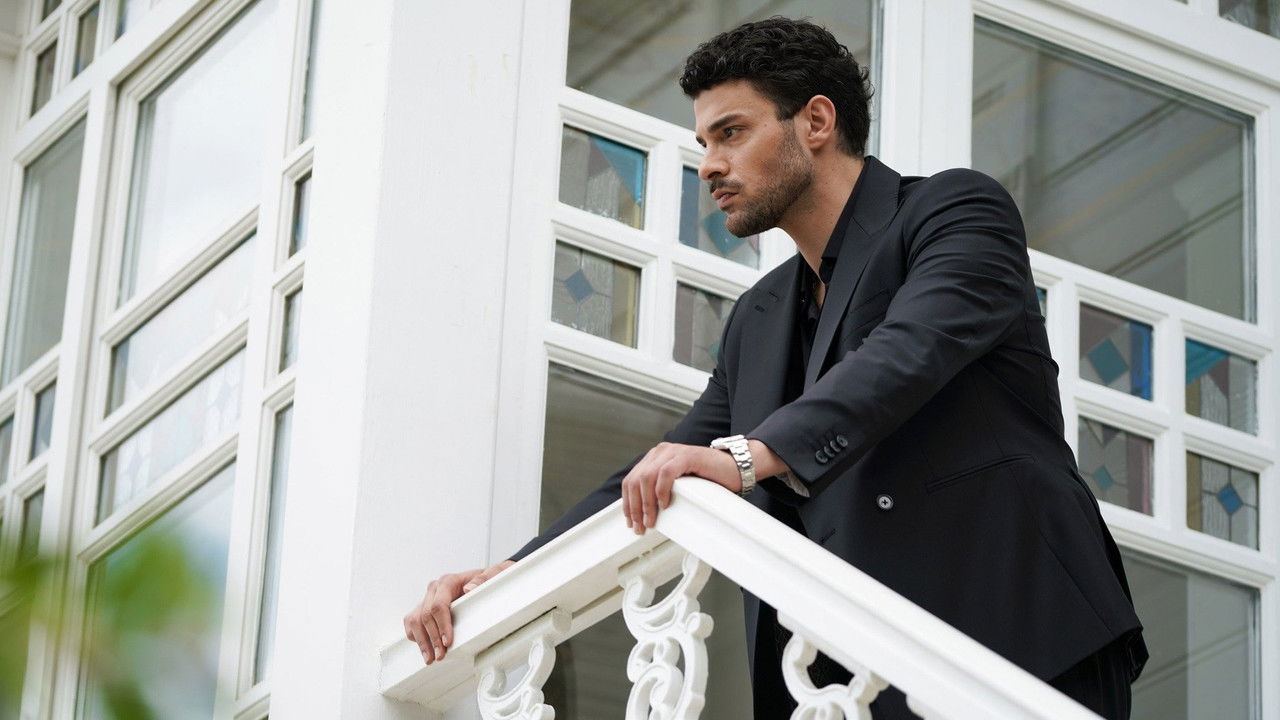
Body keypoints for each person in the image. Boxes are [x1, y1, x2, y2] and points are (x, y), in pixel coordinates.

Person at [405, 16, 1148, 720]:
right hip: (849, 681)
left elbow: (910, 350)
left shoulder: (955, 211)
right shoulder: (758, 317)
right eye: (704, 142)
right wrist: (515, 571)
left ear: (816, 122)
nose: (709, 165)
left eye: (731, 132)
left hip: (1024, 632)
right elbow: (666, 460)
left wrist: (749, 457)